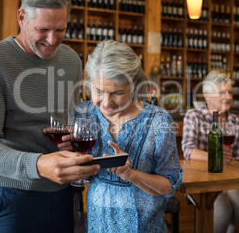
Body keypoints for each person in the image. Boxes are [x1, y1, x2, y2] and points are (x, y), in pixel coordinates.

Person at [0, 0, 100, 232]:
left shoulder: (71, 59)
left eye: (60, 30)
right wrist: (38, 165)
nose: (52, 40)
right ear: (21, 17)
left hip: (63, 195)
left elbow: (68, 119)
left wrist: (71, 139)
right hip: (11, 197)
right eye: (42, 30)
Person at [72, 40, 182, 232]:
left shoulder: (158, 121)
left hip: (144, 226)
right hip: (98, 224)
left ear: (135, 86)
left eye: (117, 93)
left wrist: (132, 175)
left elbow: (169, 185)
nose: (106, 102)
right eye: (98, 91)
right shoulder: (85, 112)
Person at [181, 70, 239, 233]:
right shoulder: (194, 116)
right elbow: (188, 150)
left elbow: (238, 156)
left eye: (230, 92)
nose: (228, 97)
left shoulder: (237, 121)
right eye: (222, 92)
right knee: (223, 211)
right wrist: (215, 157)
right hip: (200, 181)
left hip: (230, 180)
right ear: (207, 95)